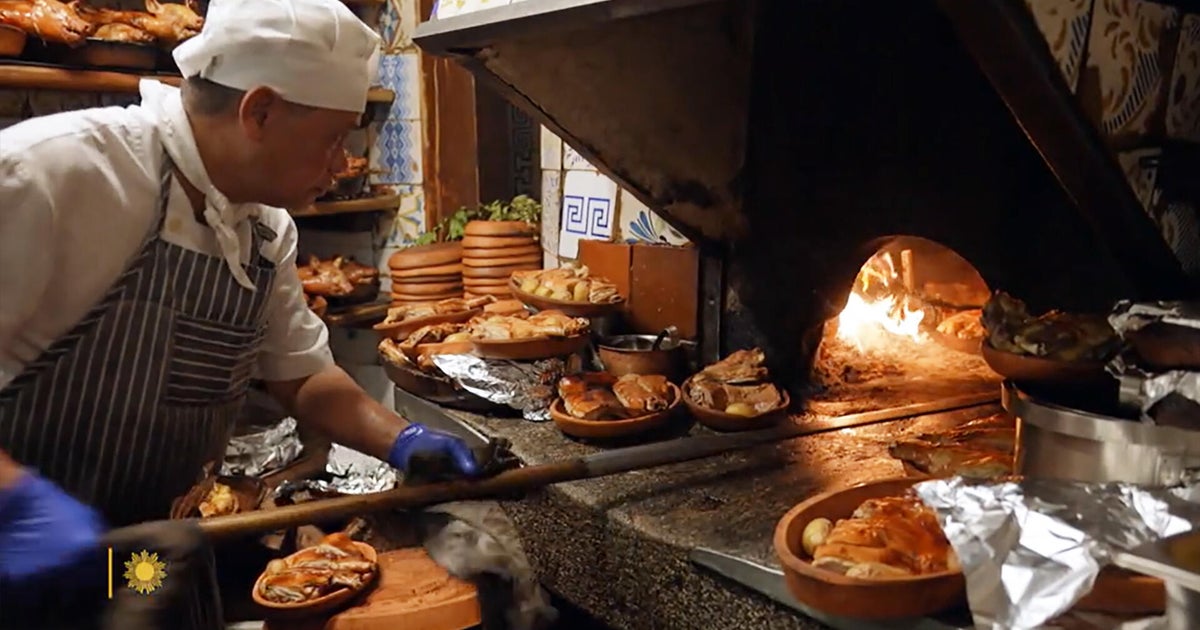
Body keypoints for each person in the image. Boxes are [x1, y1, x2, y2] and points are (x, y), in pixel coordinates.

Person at [0, 0, 480, 626]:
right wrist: (17, 506)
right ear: (260, 111)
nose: (342, 165)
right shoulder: (51, 172)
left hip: (142, 566)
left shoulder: (263, 229)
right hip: (22, 573)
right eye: (333, 139)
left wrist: (403, 440)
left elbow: (301, 376)